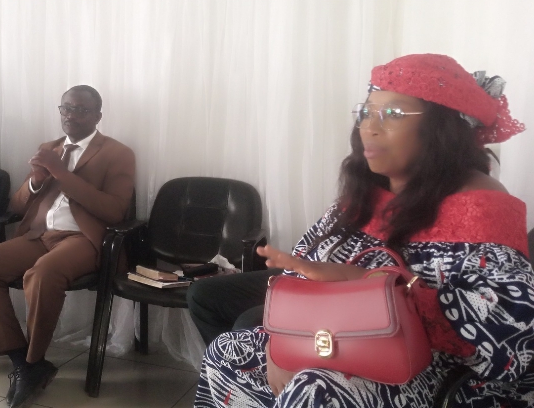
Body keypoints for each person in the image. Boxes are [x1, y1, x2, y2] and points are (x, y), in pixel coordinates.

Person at [195, 53, 534, 408]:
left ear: (442, 130)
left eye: (394, 114)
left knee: (315, 388)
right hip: (340, 337)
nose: (370, 127)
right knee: (227, 352)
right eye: (367, 112)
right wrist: (280, 346)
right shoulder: (366, 194)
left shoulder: (479, 204)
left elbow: (510, 335)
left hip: (428, 364)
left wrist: (376, 287)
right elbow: (304, 274)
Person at [0, 85, 135, 408]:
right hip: (40, 235)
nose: (70, 115)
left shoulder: (117, 153)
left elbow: (114, 211)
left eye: (81, 110)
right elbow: (17, 205)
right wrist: (36, 181)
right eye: (65, 108)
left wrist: (60, 172)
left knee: (42, 274)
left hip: (83, 239)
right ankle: (24, 362)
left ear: (98, 116)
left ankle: (33, 359)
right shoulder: (49, 148)